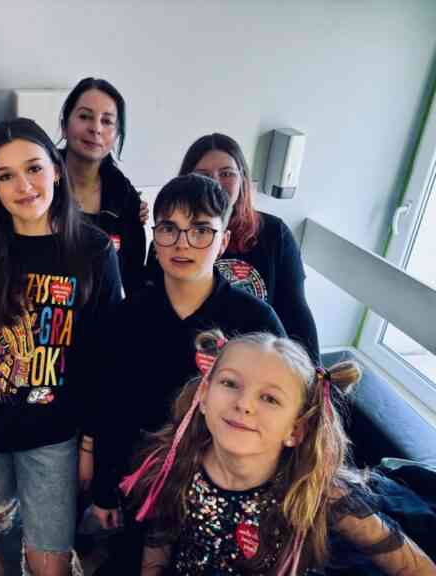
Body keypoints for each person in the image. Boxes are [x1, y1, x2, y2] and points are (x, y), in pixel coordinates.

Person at [0, 118, 122, 575]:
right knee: (4, 530)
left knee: (51, 560)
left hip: (53, 435)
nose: (23, 186)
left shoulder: (94, 251)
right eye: (6, 176)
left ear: (56, 170)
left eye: (34, 168)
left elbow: (106, 360)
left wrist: (90, 443)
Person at [90, 174, 285, 574]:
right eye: (169, 229)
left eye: (200, 230)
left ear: (223, 241)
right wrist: (104, 489)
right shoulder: (126, 317)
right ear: (155, 237)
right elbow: (109, 409)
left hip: (222, 489)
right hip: (140, 484)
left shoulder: (254, 321)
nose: (182, 243)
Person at [122, 330, 436, 575]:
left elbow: (417, 568)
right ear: (203, 395)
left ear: (295, 430)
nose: (244, 404)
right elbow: (159, 541)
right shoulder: (175, 464)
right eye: (230, 383)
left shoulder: (320, 494)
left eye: (270, 398)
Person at [180, 133, 319, 362]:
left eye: (227, 174)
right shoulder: (172, 239)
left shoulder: (275, 233)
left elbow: (296, 312)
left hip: (262, 363)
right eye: (203, 175)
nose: (215, 183)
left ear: (242, 179)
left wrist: (313, 373)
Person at [60, 77, 146, 296]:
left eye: (107, 121)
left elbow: (132, 277)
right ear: (64, 125)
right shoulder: (39, 184)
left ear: (117, 135)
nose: (95, 128)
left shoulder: (125, 199)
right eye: (84, 117)